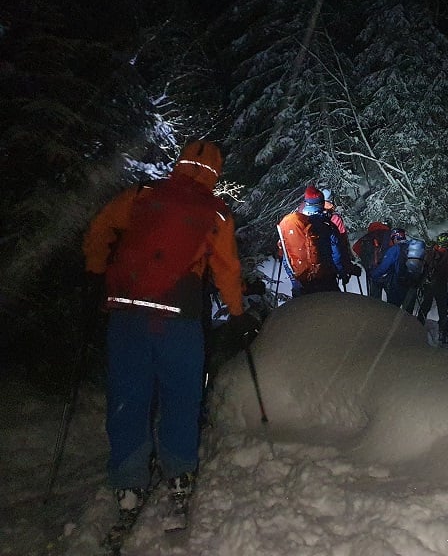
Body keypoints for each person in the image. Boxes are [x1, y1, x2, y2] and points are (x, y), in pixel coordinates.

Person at [82, 140, 248, 531]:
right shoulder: (215, 214)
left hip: (127, 312)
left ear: (181, 162)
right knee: (181, 396)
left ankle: (128, 481)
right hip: (178, 318)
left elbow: (101, 225)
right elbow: (227, 268)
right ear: (214, 172)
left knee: (128, 395)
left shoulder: (142, 195)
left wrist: (95, 269)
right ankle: (178, 473)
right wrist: (237, 313)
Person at [277, 186, 358, 297]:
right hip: (325, 280)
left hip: (302, 283)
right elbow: (337, 255)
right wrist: (342, 272)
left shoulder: (294, 225)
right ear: (321, 203)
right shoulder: (327, 225)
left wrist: (295, 281)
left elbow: (286, 256)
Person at [416, 233, 448, 344]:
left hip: (428, 284)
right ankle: (443, 335)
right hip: (440, 284)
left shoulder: (431, 251)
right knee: (442, 309)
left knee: (425, 306)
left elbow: (424, 267)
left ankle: (416, 329)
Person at [370, 227, 418, 313]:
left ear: (395, 238)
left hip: (397, 286)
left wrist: (373, 274)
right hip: (412, 284)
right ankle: (409, 326)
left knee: (392, 312)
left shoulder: (394, 249)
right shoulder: (412, 248)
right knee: (408, 314)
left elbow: (383, 267)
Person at [352, 221, 392, 300]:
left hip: (372, 270)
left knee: (375, 298)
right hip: (388, 271)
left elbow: (355, 248)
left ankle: (375, 310)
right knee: (392, 297)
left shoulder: (366, 237)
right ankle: (393, 311)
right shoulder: (389, 235)